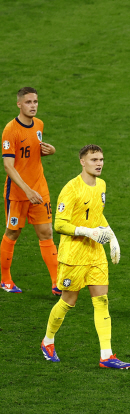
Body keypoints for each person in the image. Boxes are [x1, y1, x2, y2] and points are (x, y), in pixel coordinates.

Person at [41, 144, 130, 369]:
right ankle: (48, 341)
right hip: (73, 255)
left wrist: (112, 236)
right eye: (93, 160)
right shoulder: (71, 189)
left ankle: (106, 355)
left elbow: (98, 215)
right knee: (68, 301)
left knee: (102, 301)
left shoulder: (101, 184)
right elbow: (59, 224)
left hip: (95, 253)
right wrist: (87, 231)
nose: (99, 163)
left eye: (101, 159)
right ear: (82, 162)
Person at [2, 87, 59, 294]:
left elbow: (30, 154)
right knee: (13, 232)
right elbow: (9, 165)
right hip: (18, 194)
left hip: (39, 190)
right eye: (28, 102)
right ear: (19, 104)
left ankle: (57, 284)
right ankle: (5, 279)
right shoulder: (10, 130)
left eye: (35, 101)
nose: (33, 105)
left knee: (46, 233)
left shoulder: (39, 125)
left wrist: (51, 151)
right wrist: (27, 191)